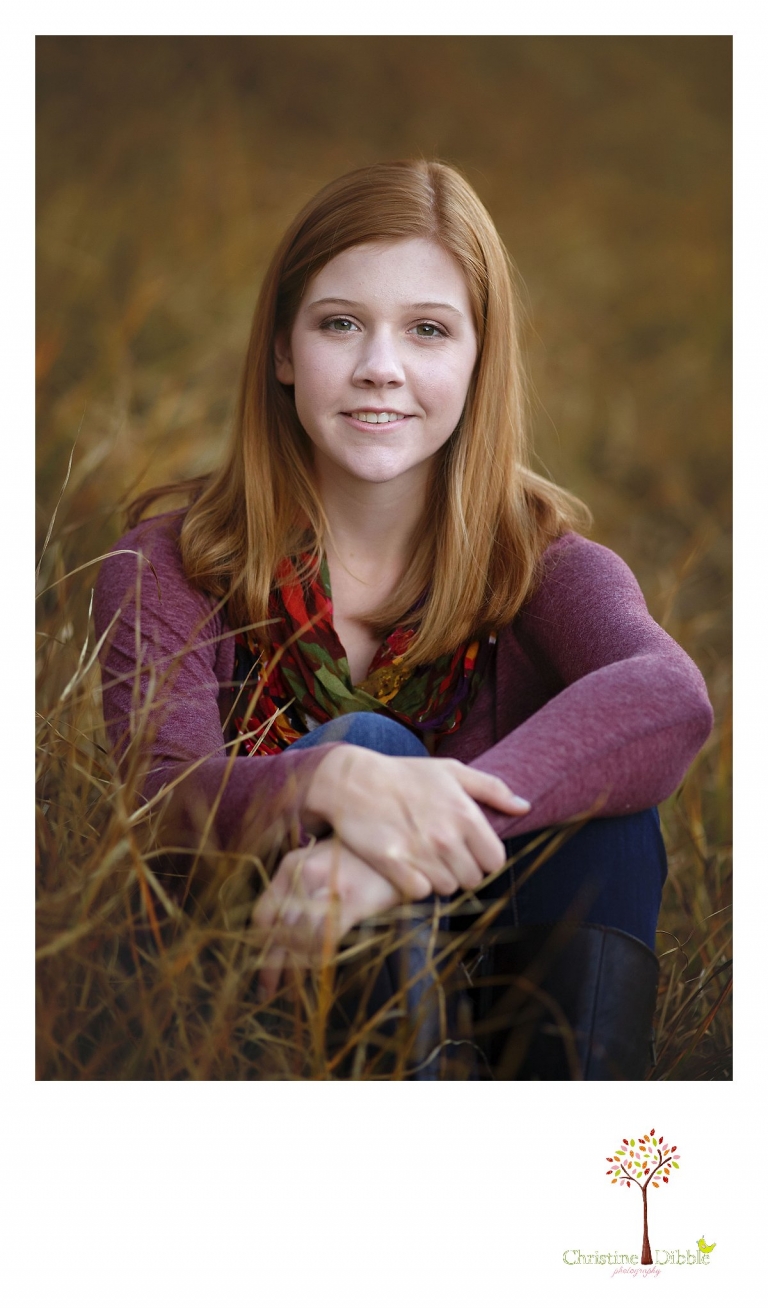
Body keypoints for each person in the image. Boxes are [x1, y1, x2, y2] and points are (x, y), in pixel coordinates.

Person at [94, 159, 713, 1080]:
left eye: (428, 330)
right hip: (256, 978)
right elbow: (164, 794)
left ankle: (571, 1160)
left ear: (477, 358)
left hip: (504, 967)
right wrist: (331, 782)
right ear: (280, 350)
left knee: (614, 810)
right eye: (340, 324)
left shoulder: (537, 564)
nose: (380, 368)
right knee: (373, 741)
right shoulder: (169, 562)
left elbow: (670, 697)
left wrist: (397, 848)